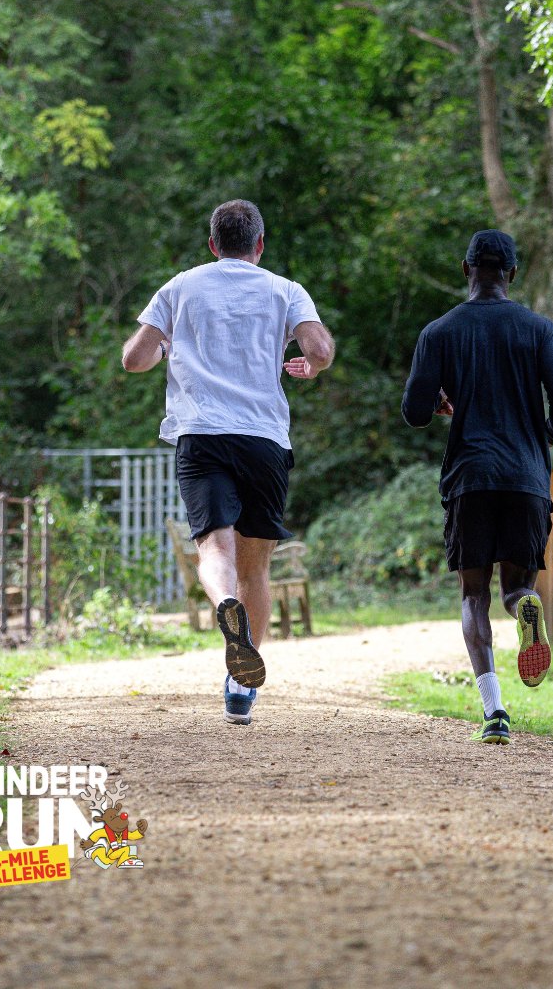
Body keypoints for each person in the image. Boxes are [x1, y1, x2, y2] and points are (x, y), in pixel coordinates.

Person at [123, 199, 334, 726]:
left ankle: (223, 607)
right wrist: (310, 363)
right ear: (258, 245)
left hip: (202, 436)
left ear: (213, 244)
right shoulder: (284, 290)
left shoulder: (180, 287)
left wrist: (165, 346)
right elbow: (320, 346)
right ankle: (241, 687)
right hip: (264, 437)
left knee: (214, 546)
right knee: (255, 565)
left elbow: (134, 360)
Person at [401, 229, 553, 745]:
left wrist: (437, 400)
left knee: (472, 594)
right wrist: (542, 435)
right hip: (526, 477)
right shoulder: (539, 329)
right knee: (515, 587)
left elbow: (413, 412)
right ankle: (526, 605)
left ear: (466, 269)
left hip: (469, 479)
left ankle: (494, 710)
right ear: (513, 274)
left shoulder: (440, 332)